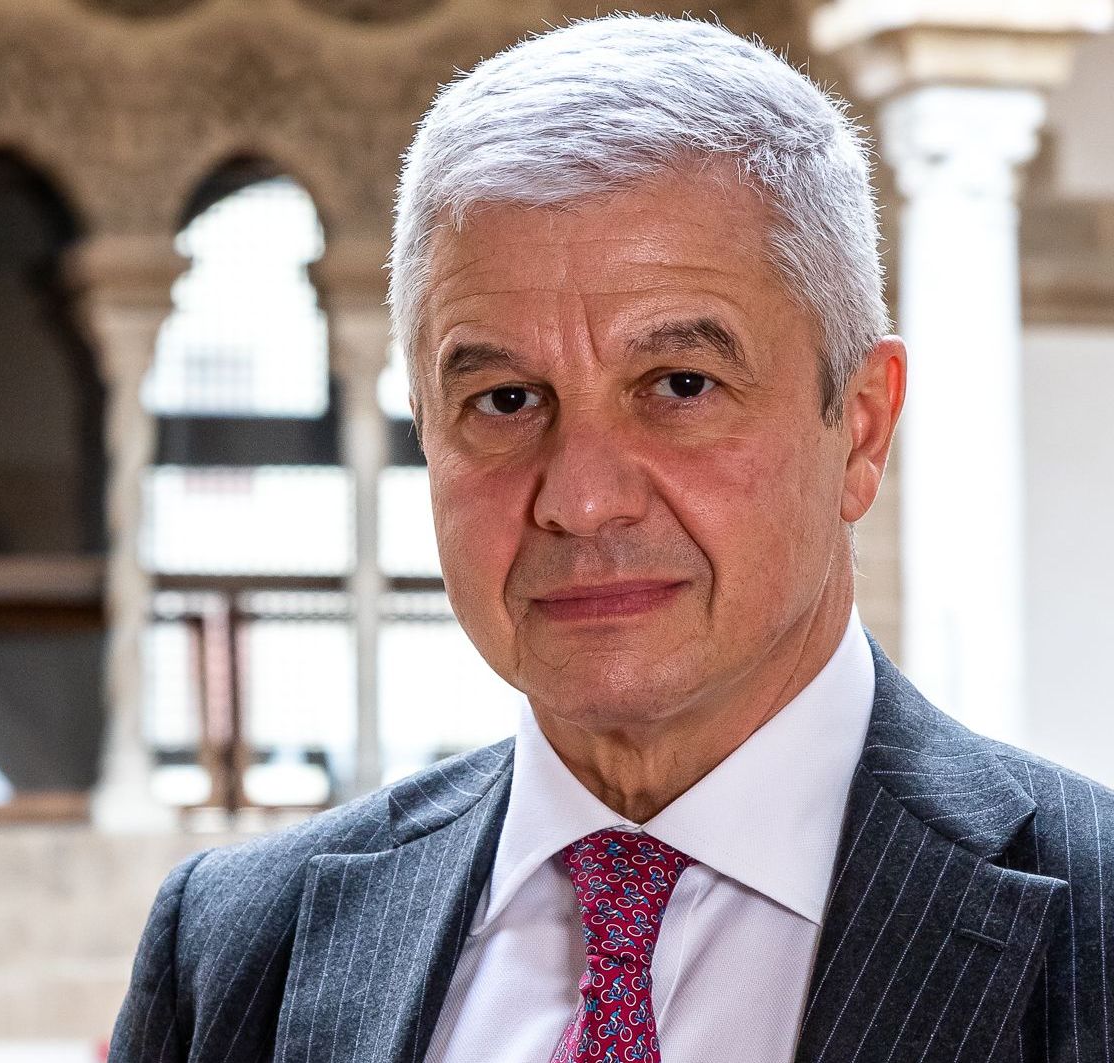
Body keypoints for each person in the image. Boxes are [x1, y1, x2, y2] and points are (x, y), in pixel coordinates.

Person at [110, 15, 1114, 1063]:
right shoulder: (236, 952)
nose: (581, 500)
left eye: (679, 385)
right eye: (505, 399)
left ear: (859, 427)